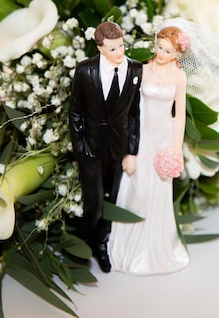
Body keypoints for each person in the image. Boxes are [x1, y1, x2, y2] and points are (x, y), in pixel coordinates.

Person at [108, 23, 190, 275]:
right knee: (138, 190)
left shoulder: (179, 76)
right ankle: (127, 248)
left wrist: (175, 149)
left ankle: (156, 249)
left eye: (168, 51)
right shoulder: (142, 70)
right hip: (141, 137)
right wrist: (129, 150)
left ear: (177, 54)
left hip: (163, 139)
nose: (162, 54)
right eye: (160, 48)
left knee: (159, 193)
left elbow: (179, 116)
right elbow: (130, 111)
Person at [69, 21, 143, 273]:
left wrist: (132, 150)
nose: (119, 52)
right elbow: (76, 112)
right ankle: (79, 244)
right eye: (112, 49)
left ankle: (101, 244)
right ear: (100, 48)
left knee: (112, 199)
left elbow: (134, 114)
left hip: (118, 148)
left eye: (121, 45)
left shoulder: (134, 69)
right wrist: (80, 147)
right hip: (91, 148)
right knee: (95, 204)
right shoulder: (84, 71)